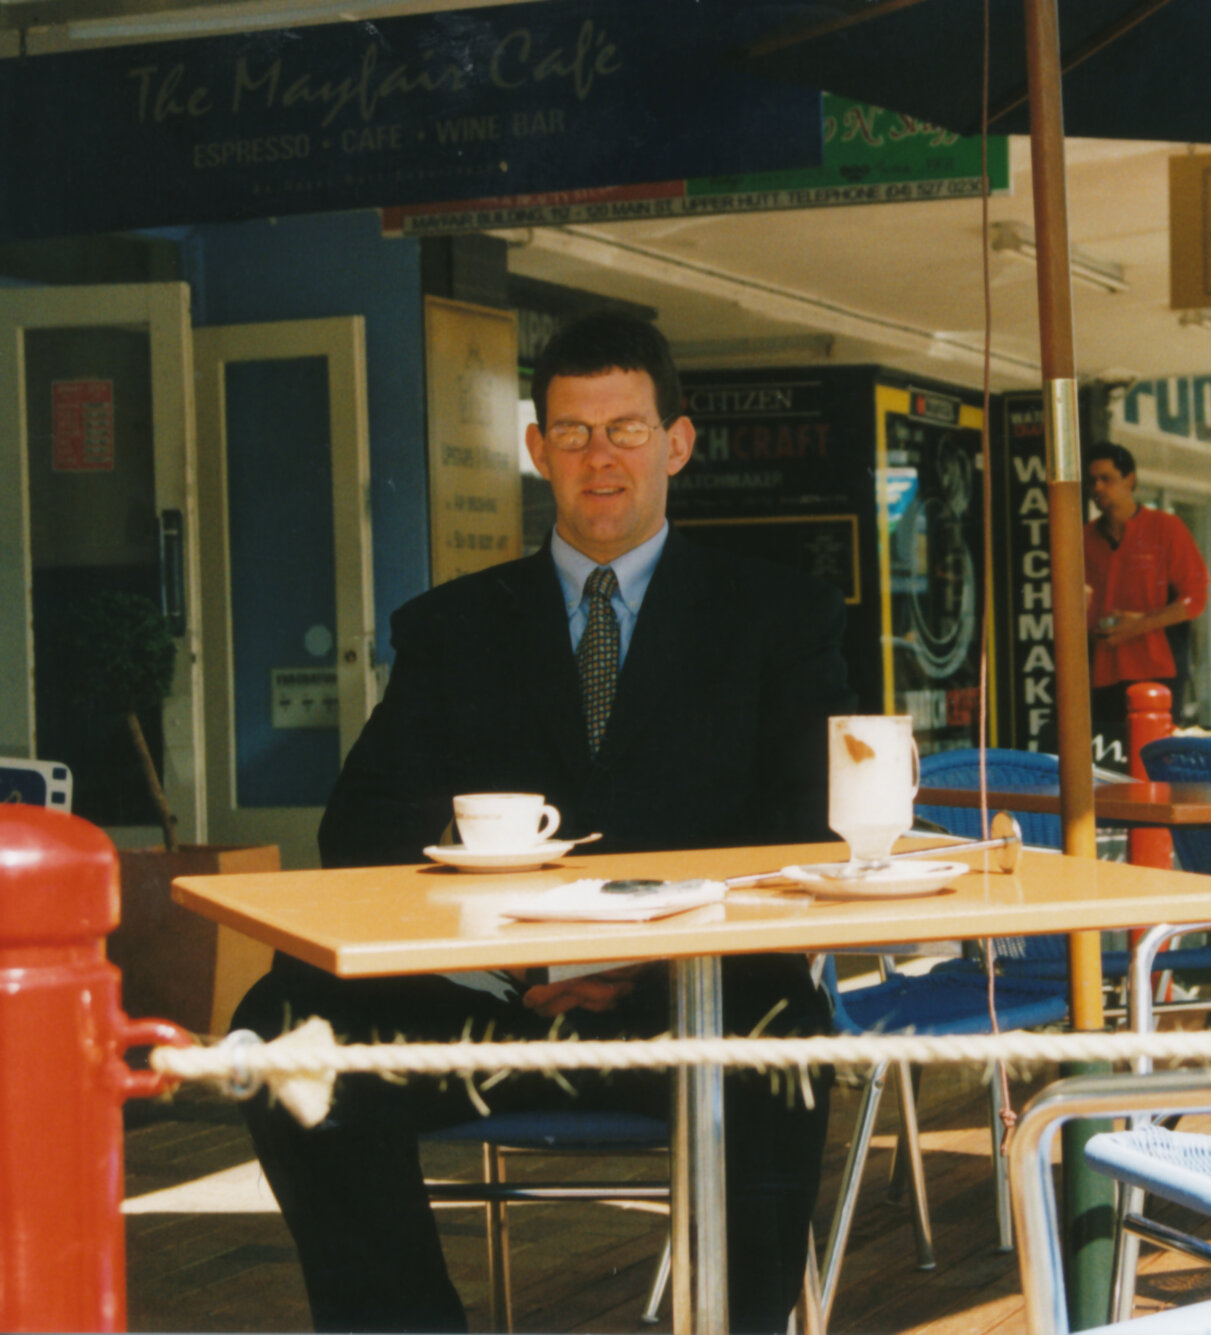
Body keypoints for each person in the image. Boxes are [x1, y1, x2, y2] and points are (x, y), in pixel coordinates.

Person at [232, 313, 852, 1334]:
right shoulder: (452, 628)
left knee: (787, 1035)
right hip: (495, 1013)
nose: (599, 458)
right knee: (280, 1029)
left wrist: (642, 957)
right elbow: (359, 826)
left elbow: (810, 827)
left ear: (678, 444)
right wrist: (521, 937)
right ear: (537, 450)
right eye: (572, 432)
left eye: (626, 430)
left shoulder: (780, 617)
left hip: (689, 1014)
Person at [1081, 443, 1209, 754]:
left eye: (1106, 478)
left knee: (1156, 756)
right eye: (1092, 480)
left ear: (1130, 480)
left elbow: (1195, 598)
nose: (1097, 487)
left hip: (1157, 668)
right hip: (1102, 669)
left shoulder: (1166, 528)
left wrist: (1138, 625)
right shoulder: (1083, 537)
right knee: (1110, 758)